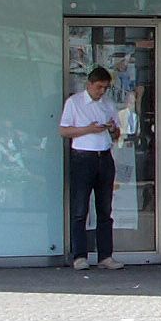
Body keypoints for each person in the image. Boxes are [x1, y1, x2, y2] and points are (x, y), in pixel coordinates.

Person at [59, 64, 125, 270]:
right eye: (99, 87)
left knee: (105, 208)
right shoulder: (75, 102)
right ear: (89, 84)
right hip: (83, 157)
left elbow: (116, 135)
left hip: (104, 157)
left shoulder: (107, 104)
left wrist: (113, 129)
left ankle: (105, 255)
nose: (102, 91)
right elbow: (64, 130)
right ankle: (80, 255)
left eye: (105, 88)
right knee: (80, 209)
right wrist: (89, 129)